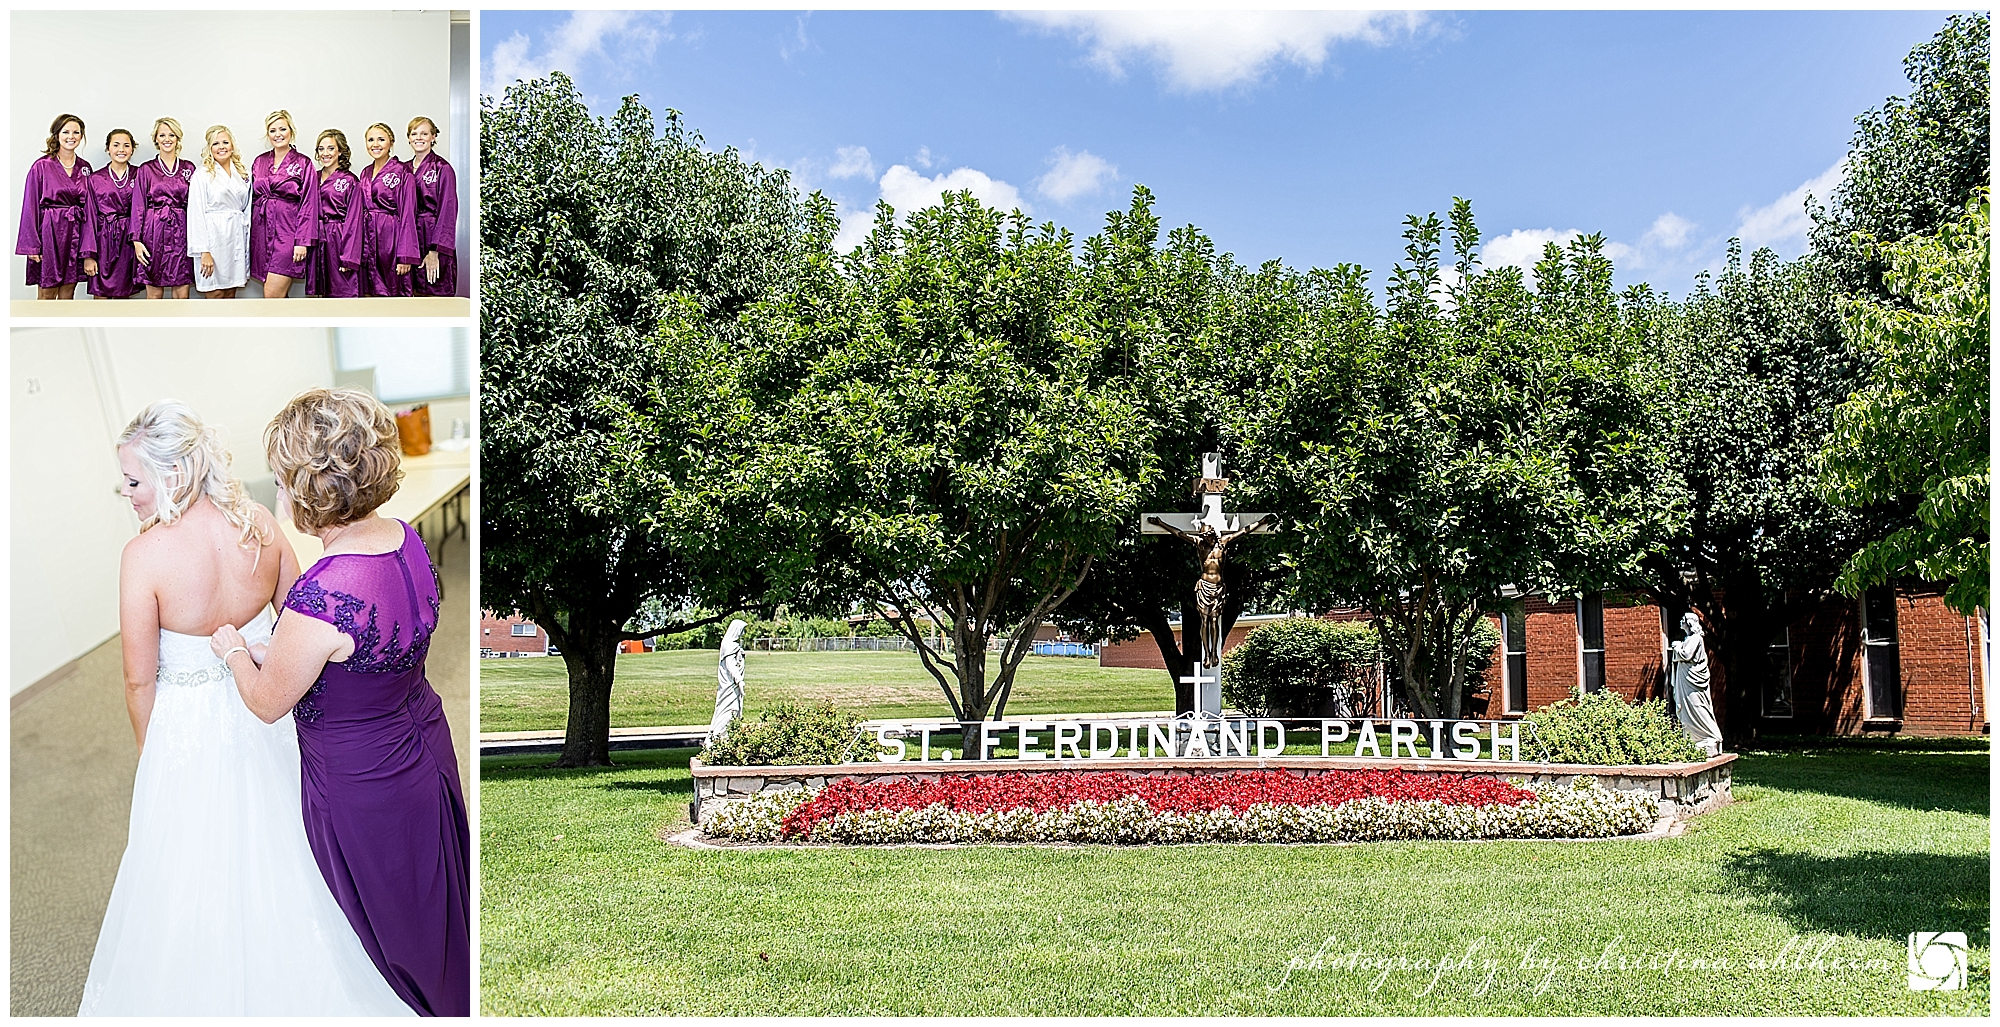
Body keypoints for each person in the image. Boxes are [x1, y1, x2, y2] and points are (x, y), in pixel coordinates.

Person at [80, 401, 414, 1017]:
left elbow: (137, 680)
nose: (124, 493)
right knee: (292, 853)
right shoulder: (257, 522)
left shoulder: (143, 557)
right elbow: (300, 613)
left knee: (188, 876)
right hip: (272, 711)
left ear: (172, 475)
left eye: (132, 481)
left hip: (189, 730)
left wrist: (152, 760)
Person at [211, 388, 469, 1017]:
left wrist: (233, 653)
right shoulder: (406, 540)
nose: (277, 494)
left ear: (309, 491)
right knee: (434, 903)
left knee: (395, 930)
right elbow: (357, 651)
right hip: (425, 742)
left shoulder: (322, 598)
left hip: (364, 781)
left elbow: (268, 703)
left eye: (280, 480)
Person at [18, 113, 92, 299]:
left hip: (75, 232)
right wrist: (32, 245)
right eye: (66, 131)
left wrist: (88, 245)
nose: (71, 136)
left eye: (76, 132)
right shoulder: (42, 166)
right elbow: (30, 205)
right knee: (47, 293)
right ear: (57, 135)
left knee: (68, 292)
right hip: (49, 233)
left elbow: (90, 209)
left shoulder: (85, 168)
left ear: (81, 136)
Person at [249, 110, 319, 298]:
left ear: (291, 131)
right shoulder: (259, 161)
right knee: (278, 298)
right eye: (272, 130)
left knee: (272, 294)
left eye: (282, 129)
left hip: (289, 234)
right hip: (262, 233)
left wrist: (302, 242)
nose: (277, 134)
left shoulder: (304, 163)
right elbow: (252, 199)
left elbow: (309, 204)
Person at [131, 118, 196, 298]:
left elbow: (196, 205)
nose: (167, 139)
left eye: (171, 135)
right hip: (153, 233)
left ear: (177, 138)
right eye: (162, 135)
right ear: (156, 139)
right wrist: (136, 240)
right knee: (154, 295)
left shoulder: (188, 168)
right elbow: (138, 205)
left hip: (181, 232)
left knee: (182, 294)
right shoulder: (145, 169)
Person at [186, 125, 250, 298]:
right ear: (209, 148)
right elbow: (195, 214)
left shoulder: (242, 173)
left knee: (231, 292)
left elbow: (246, 208)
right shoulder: (202, 174)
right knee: (215, 294)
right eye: (216, 143)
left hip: (236, 237)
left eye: (225, 142)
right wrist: (203, 251)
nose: (221, 147)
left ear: (232, 146)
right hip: (213, 240)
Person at [356, 123, 418, 297]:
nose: (375, 144)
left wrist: (405, 255)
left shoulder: (403, 173)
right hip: (368, 239)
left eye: (381, 139)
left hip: (391, 239)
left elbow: (408, 215)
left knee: (394, 293)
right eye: (371, 140)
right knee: (369, 293)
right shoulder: (365, 172)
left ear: (391, 142)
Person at [81, 129, 141, 298]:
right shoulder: (95, 178)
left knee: (125, 293)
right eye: (116, 145)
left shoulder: (140, 174)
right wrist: (89, 255)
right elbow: (89, 218)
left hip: (129, 241)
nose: (121, 149)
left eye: (126, 145)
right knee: (101, 292)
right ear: (108, 148)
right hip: (103, 242)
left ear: (132, 149)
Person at [307, 128, 364, 298]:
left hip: (340, 240)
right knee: (321, 294)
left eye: (331, 148)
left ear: (340, 151)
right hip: (318, 240)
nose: (325, 153)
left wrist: (349, 256)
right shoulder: (312, 177)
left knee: (344, 291)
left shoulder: (350, 180)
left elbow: (355, 220)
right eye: (321, 149)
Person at [405, 116, 457, 297]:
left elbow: (448, 211)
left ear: (433, 137)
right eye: (414, 133)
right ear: (409, 138)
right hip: (409, 239)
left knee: (434, 295)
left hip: (433, 236)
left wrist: (435, 251)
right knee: (408, 297)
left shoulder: (443, 168)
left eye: (424, 133)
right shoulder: (402, 169)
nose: (419, 138)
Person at [1668, 612, 1725, 757]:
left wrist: (1676, 647)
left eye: (1683, 619)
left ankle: (1712, 736)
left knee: (1697, 706)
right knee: (1687, 708)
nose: (1681, 620)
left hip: (1693, 680)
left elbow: (1687, 655)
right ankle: (1694, 737)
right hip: (1686, 678)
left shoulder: (1695, 638)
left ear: (1690, 622)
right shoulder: (1688, 638)